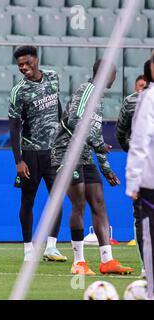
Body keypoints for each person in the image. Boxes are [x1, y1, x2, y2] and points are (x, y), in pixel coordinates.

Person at [51, 59, 133, 276]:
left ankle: (107, 261)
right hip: (67, 154)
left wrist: (106, 170)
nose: (115, 78)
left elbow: (94, 135)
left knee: (98, 202)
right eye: (113, 73)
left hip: (85, 156)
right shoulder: (87, 90)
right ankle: (79, 262)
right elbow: (73, 120)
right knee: (78, 202)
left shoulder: (99, 100)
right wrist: (97, 144)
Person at [8, 45, 66, 262]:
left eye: (26, 63)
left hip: (53, 152)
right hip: (31, 153)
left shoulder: (53, 77)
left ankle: (51, 247)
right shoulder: (18, 91)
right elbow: (14, 127)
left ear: (36, 59)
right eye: (20, 65)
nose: (23, 67)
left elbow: (58, 108)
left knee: (57, 198)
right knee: (28, 200)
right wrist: (19, 160)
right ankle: (28, 249)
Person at [116, 60, 153, 278]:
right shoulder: (135, 102)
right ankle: (146, 266)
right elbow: (124, 134)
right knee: (144, 220)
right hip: (146, 173)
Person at [126, 54, 154, 299]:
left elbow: (140, 141)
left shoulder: (149, 98)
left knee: (150, 236)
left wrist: (133, 181)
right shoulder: (144, 98)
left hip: (150, 183)